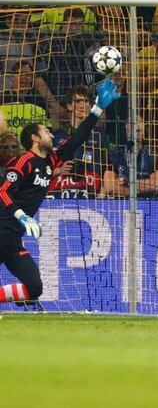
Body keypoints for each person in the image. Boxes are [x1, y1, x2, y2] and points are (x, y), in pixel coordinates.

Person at [0, 78, 118, 306]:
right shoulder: (24, 160)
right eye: (45, 131)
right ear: (34, 138)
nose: (51, 135)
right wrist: (21, 215)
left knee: (34, 288)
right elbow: (3, 191)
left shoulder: (50, 160)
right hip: (2, 229)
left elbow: (76, 138)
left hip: (12, 239)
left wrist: (97, 108)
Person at [100, 116, 158, 199]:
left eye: (138, 130)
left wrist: (126, 183)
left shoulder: (155, 157)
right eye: (131, 131)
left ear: (143, 133)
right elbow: (110, 188)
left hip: (148, 205)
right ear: (126, 132)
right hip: (122, 204)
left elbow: (154, 185)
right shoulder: (114, 157)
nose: (134, 134)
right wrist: (141, 188)